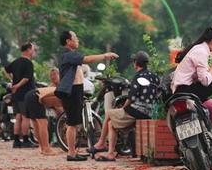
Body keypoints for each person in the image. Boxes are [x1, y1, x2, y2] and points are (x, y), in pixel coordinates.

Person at [55, 30, 118, 161]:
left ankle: (73, 152)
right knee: (72, 124)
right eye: (75, 38)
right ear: (68, 41)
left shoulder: (70, 55)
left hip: (76, 90)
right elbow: (87, 59)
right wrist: (105, 55)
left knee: (75, 122)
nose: (77, 40)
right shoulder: (68, 55)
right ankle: (71, 154)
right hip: (71, 91)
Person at [92, 50, 159, 161]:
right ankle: (110, 153)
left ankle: (101, 143)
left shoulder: (138, 77)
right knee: (111, 124)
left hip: (137, 111)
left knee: (109, 112)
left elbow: (131, 98)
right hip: (149, 111)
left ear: (135, 63)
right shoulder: (154, 77)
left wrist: (123, 109)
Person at [4, 42, 37, 148]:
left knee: (18, 117)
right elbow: (27, 78)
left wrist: (12, 80)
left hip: (15, 94)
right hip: (25, 93)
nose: (33, 51)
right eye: (33, 49)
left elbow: (5, 69)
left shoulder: (16, 62)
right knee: (25, 117)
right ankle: (26, 140)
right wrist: (17, 85)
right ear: (28, 50)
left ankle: (17, 140)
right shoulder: (28, 63)